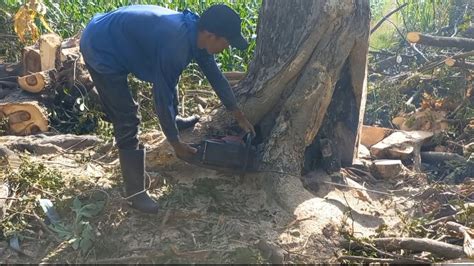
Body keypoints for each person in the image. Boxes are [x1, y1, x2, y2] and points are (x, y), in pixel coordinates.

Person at [80, 4, 255, 214]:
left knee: (171, 77)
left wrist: (237, 113)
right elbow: (161, 97)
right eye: (226, 43)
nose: (226, 49)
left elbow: (215, 75)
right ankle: (135, 192)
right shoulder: (176, 44)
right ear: (210, 36)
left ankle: (175, 120)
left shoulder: (195, 35)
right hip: (100, 46)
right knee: (127, 118)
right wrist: (175, 143)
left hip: (115, 35)